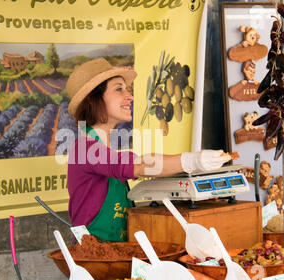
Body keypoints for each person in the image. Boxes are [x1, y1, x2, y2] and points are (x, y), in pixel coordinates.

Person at [65, 58, 231, 242]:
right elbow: (140, 165)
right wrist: (193, 161)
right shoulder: (84, 148)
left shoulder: (103, 148)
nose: (130, 96)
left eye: (127, 89)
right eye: (119, 89)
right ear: (94, 99)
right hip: (93, 261)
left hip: (116, 254)